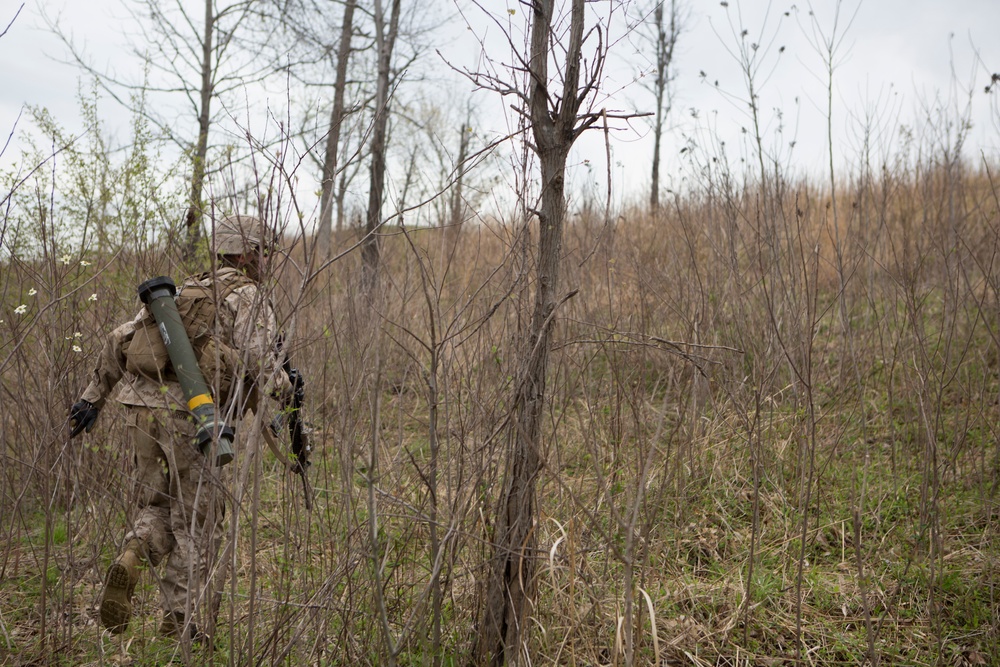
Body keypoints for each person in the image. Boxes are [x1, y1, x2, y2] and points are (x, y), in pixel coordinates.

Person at [68, 214, 292, 641]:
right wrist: (288, 390)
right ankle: (180, 625)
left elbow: (120, 337)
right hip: (196, 415)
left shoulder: (181, 292)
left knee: (157, 506)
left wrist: (92, 398)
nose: (269, 260)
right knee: (197, 521)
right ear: (246, 254)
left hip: (139, 408)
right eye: (264, 251)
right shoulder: (246, 294)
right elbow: (263, 363)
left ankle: (133, 555)